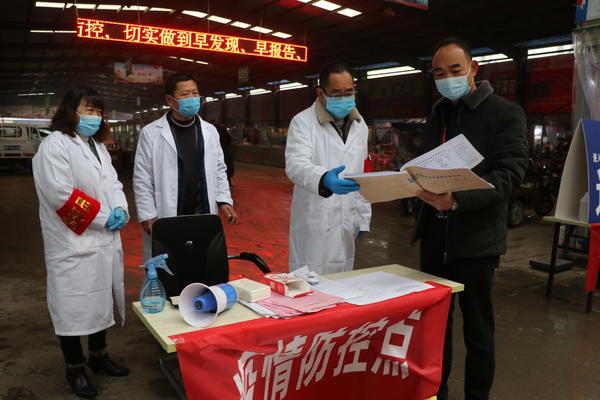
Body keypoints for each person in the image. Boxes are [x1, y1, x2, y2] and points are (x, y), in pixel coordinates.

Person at [413, 38, 528, 400]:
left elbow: (510, 174)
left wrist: (457, 200)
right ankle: (437, 393)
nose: (447, 79)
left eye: (455, 70)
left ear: (473, 68)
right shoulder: (437, 114)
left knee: (478, 331)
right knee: (435, 329)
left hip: (476, 241)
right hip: (435, 237)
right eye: (438, 73)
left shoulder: (504, 113)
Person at [32, 86, 130, 398]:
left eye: (98, 112)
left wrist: (121, 209)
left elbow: (113, 183)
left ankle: (99, 355)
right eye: (88, 110)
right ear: (70, 111)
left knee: (99, 299)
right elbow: (59, 194)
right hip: (71, 243)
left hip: (101, 240)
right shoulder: (54, 145)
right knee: (72, 306)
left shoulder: (97, 146)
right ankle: (74, 366)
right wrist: (104, 217)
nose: (94, 117)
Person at [133, 73, 237, 261]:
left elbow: (219, 169)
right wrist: (147, 213)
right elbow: (142, 177)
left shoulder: (210, 131)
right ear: (170, 100)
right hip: (168, 213)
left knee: (201, 263)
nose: (192, 98)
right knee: (170, 266)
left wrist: (223, 199)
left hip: (202, 212)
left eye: (195, 93)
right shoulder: (151, 133)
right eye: (185, 94)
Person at [285, 61, 371, 275]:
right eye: (336, 93)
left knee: (342, 279)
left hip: (348, 218)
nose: (344, 98)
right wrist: (323, 178)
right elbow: (295, 164)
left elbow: (364, 171)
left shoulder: (360, 125)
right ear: (321, 93)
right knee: (310, 279)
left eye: (348, 92)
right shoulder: (303, 122)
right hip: (314, 218)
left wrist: (363, 217)